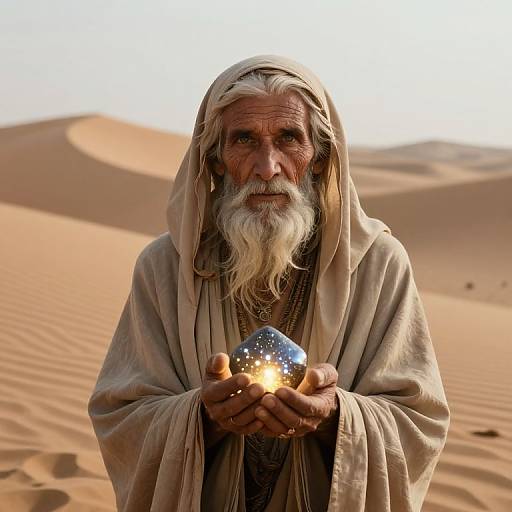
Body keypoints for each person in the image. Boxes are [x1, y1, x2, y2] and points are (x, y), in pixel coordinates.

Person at [88, 55, 450, 512]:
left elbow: (419, 422)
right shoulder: (165, 267)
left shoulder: (377, 264)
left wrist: (334, 416)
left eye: (288, 139)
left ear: (318, 158)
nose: (267, 166)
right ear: (215, 160)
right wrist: (202, 417)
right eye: (244, 140)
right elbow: (121, 418)